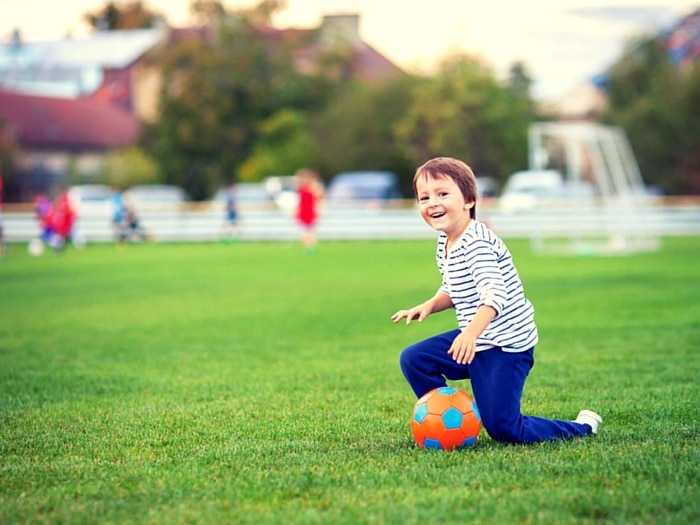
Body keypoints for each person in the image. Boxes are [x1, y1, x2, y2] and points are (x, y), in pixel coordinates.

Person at [391, 157, 601, 444]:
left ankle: (581, 427)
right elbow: (454, 287)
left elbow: (494, 294)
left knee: (504, 429)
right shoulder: (446, 241)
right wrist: (429, 305)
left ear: (468, 200)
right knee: (415, 359)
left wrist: (470, 334)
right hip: (477, 338)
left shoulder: (476, 242)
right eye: (424, 197)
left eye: (442, 194)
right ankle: (452, 418)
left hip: (505, 346)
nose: (432, 203)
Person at [295, 168, 323, 251]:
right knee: (306, 231)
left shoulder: (311, 188)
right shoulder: (302, 188)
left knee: (310, 231)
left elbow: (319, 197)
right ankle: (307, 247)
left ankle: (309, 247)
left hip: (310, 211)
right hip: (305, 211)